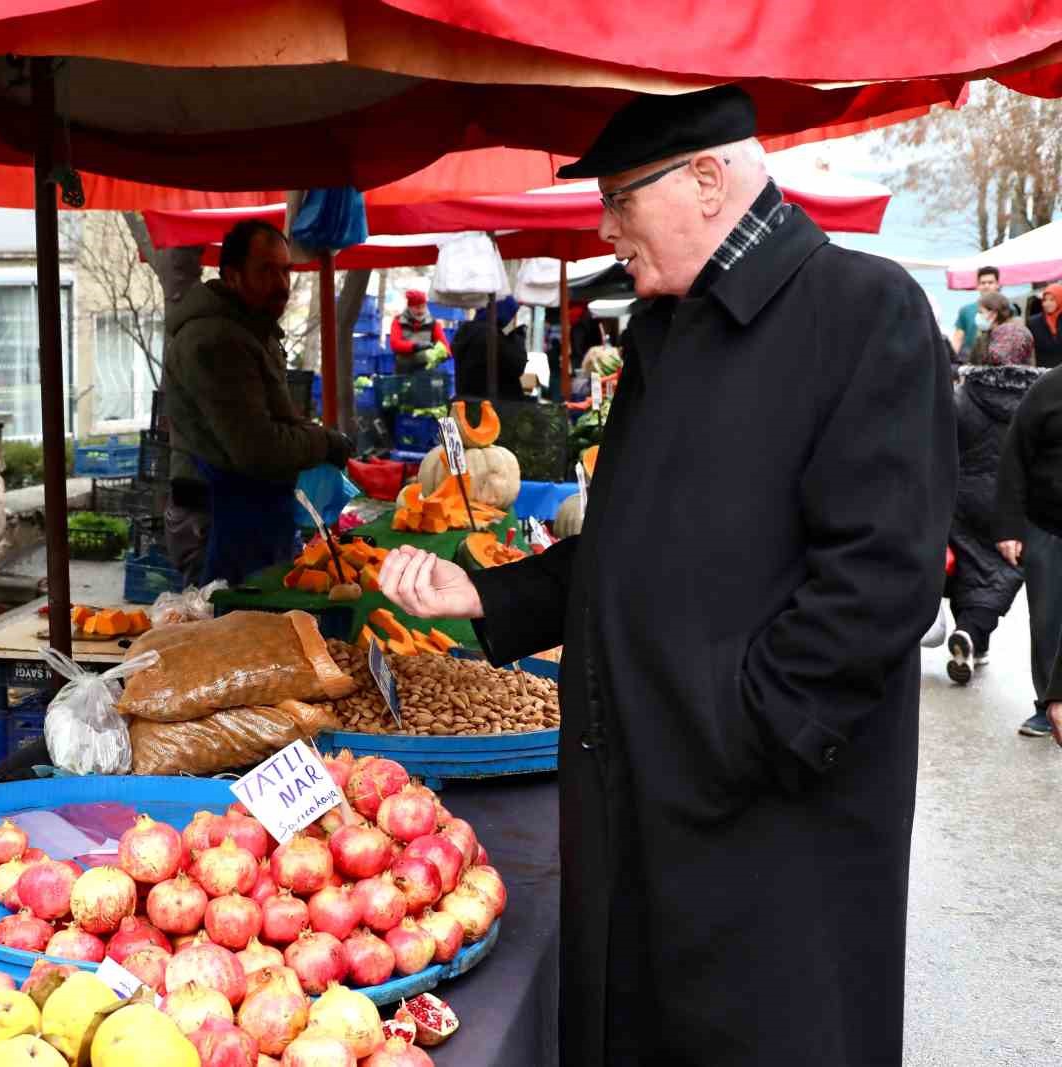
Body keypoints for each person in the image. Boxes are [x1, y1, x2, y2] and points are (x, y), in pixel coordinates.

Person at [377, 84, 953, 1066]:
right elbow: (635, 543)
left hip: (768, 832)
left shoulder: (864, 310)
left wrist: (731, 729)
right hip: (645, 803)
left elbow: (880, 580)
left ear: (705, 179)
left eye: (618, 201)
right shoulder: (662, 334)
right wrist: (495, 594)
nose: (604, 231)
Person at [161, 219, 353, 586]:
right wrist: (324, 443)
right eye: (266, 271)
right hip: (219, 520)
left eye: (285, 271)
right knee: (232, 636)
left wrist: (312, 437)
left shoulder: (250, 327)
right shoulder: (217, 341)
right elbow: (257, 448)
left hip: (248, 516)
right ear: (233, 276)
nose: (281, 284)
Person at [943, 322, 1039, 684]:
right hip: (1015, 504)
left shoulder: (965, 394)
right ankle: (974, 634)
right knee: (1001, 573)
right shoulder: (1040, 397)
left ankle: (969, 635)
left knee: (968, 566)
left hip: (962, 499)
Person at [993, 346, 1062, 739]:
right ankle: (1046, 705)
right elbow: (1013, 458)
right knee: (1048, 618)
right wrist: (1008, 527)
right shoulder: (1048, 388)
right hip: (1047, 525)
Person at [450, 296, 526, 399]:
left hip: (468, 402)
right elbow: (517, 365)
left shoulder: (466, 332)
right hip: (496, 406)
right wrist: (517, 334)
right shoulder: (493, 337)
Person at [951, 265, 1017, 362]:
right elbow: (958, 338)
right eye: (983, 283)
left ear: (998, 284)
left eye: (990, 282)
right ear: (978, 285)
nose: (986, 286)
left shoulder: (1008, 308)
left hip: (1000, 357)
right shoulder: (966, 310)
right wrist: (952, 360)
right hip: (969, 358)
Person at [388, 289, 449, 374]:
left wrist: (444, 354)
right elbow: (395, 344)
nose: (420, 311)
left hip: (426, 371)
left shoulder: (433, 323)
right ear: (409, 307)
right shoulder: (398, 321)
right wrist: (416, 346)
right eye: (417, 307)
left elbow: (445, 346)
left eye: (423, 306)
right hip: (404, 369)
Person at [968, 290, 1024, 365]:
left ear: (993, 314)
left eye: (981, 312)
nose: (978, 316)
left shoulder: (1013, 336)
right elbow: (973, 364)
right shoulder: (983, 337)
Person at [1027, 282, 1062, 369]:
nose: (1047, 303)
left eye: (1052, 300)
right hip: (1043, 373)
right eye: (1044, 300)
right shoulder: (1033, 322)